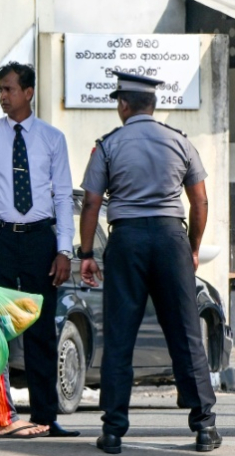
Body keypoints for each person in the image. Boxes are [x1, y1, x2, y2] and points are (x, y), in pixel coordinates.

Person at [79, 71, 221, 454]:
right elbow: (200, 201)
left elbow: (91, 202)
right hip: (170, 239)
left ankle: (113, 432)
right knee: (186, 333)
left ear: (124, 105)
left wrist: (87, 254)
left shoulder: (108, 146)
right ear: (152, 104)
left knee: (120, 336)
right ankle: (205, 427)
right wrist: (192, 247)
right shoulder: (179, 142)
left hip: (126, 242)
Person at [0, 61, 76, 438]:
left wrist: (64, 250)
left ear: (28, 92)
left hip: (39, 239)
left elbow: (63, 196)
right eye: (0, 89)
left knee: (40, 329)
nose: (2, 96)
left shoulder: (52, 138)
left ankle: (45, 416)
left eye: (9, 89)